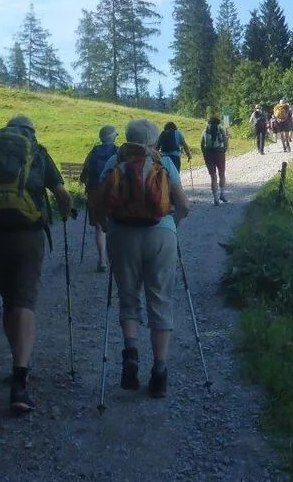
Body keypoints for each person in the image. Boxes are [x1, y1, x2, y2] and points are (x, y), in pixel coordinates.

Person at [0, 114, 73, 414]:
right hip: (28, 235)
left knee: (10, 299)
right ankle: (20, 378)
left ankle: (16, 360)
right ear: (32, 132)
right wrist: (66, 213)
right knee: (25, 300)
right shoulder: (39, 152)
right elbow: (61, 193)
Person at [90, 119, 191, 399]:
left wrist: (108, 227)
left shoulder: (113, 161)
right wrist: (173, 224)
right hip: (161, 236)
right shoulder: (164, 163)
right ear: (153, 139)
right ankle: (159, 372)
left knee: (128, 297)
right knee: (159, 300)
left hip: (122, 236)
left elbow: (96, 206)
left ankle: (131, 354)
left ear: (128, 137)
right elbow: (184, 206)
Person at [80, 125, 119, 272]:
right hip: (114, 193)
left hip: (95, 193)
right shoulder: (118, 152)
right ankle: (116, 257)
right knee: (116, 225)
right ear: (114, 137)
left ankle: (102, 260)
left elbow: (83, 177)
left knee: (99, 227)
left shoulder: (93, 152)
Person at [199, 116, 229, 206]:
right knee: (222, 174)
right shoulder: (221, 130)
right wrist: (224, 149)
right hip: (219, 153)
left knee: (213, 176)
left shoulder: (205, 131)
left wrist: (205, 154)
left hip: (208, 154)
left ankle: (215, 199)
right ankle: (222, 195)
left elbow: (201, 144)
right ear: (218, 123)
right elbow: (225, 141)